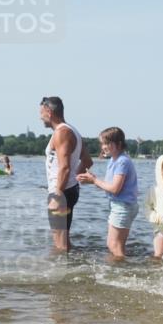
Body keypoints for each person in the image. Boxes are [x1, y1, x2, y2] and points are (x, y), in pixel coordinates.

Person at [40, 96, 93, 252]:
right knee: (64, 241)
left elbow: (64, 168)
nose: (39, 117)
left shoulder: (62, 133)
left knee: (60, 243)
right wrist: (73, 181)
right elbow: (88, 161)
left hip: (62, 192)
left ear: (49, 112)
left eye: (41, 113)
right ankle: (74, 269)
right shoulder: (72, 130)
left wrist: (57, 195)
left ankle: (62, 272)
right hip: (68, 190)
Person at [77, 127, 138, 259]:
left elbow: (115, 189)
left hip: (123, 206)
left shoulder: (122, 161)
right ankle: (120, 269)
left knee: (115, 246)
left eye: (106, 143)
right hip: (120, 205)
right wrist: (91, 180)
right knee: (113, 245)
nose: (103, 147)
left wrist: (94, 180)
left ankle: (122, 272)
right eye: (102, 143)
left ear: (119, 144)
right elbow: (108, 185)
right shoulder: (114, 160)